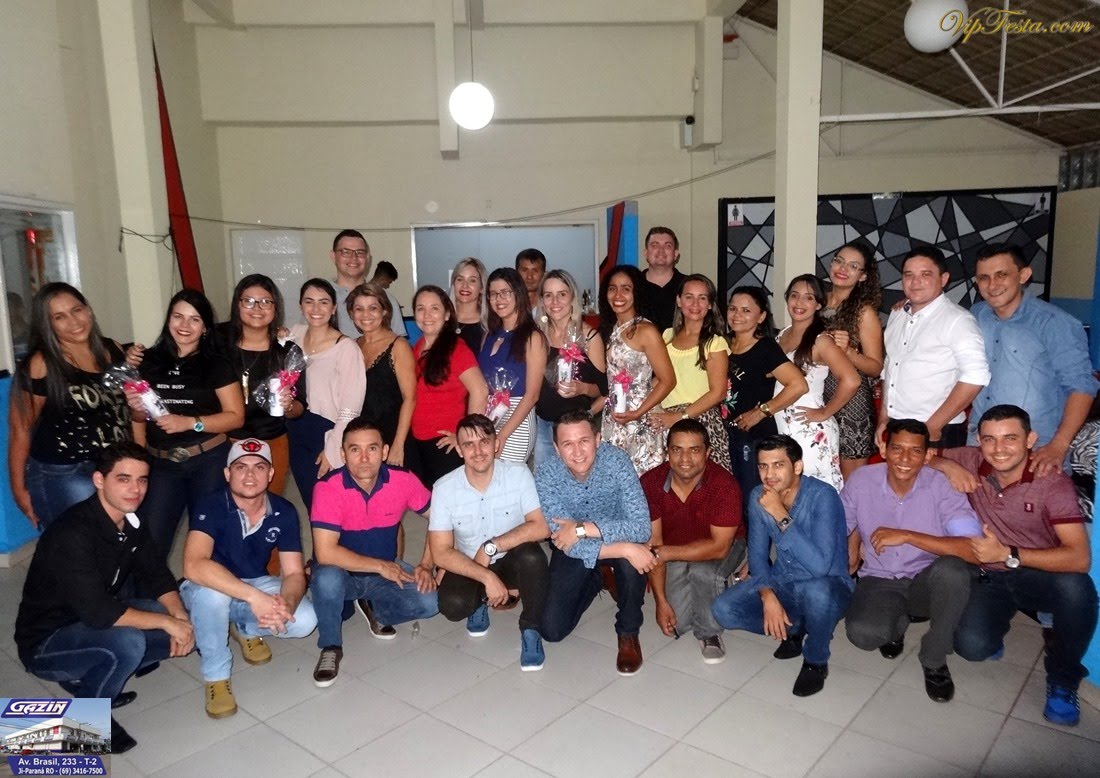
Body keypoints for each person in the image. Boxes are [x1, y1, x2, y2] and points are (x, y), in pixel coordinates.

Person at [15, 442, 194, 753]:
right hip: (47, 641)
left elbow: (156, 574)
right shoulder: (73, 533)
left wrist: (179, 617)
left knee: (169, 623)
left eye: (142, 480)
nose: (135, 490)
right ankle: (83, 724)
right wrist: (168, 623)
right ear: (99, 480)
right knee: (128, 643)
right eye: (123, 479)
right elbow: (99, 613)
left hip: (87, 619)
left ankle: (89, 676)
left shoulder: (131, 520)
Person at [933, 405, 1097, 726]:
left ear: (1030, 439)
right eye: (989, 439)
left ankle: (1063, 680)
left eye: (1010, 438)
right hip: (989, 577)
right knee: (971, 648)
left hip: (1036, 573)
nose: (998, 449)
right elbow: (914, 454)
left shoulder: (1052, 482)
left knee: (1078, 589)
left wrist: (1008, 553)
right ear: (979, 441)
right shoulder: (969, 459)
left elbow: (1079, 558)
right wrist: (945, 464)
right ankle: (993, 629)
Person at [843, 419, 980, 702]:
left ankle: (934, 658)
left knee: (953, 570)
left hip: (925, 580)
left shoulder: (943, 485)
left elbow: (973, 549)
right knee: (863, 635)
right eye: (897, 449)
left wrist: (907, 536)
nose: (905, 459)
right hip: (879, 578)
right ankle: (896, 622)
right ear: (884, 449)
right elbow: (835, 527)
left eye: (915, 451)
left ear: (928, 455)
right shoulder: (862, 480)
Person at [180, 439, 318, 718]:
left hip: (255, 581)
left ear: (270, 474)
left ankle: (244, 627)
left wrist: (286, 605)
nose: (250, 475)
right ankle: (216, 676)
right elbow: (193, 566)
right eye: (240, 467)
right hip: (207, 586)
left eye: (259, 467)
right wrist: (256, 599)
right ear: (227, 473)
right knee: (214, 597)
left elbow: (293, 573)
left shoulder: (283, 510)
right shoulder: (211, 504)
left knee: (305, 620)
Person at [712, 435, 854, 696]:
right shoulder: (759, 495)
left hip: (829, 586)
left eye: (778, 465)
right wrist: (767, 595)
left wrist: (780, 513)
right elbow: (757, 555)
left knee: (817, 592)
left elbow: (820, 567)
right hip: (784, 581)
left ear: (797, 467)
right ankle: (796, 627)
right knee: (724, 609)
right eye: (763, 466)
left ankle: (816, 660)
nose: (769, 475)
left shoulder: (823, 496)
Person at [308, 418, 438, 687]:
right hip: (343, 574)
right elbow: (326, 553)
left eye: (372, 448)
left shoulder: (403, 480)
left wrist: (426, 563)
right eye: (355, 449)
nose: (364, 458)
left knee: (431, 603)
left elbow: (440, 519)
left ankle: (375, 608)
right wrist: (380, 566)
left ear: (385, 451)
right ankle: (330, 646)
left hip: (384, 573)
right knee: (326, 579)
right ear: (343, 454)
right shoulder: (327, 488)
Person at [536, 410, 656, 675]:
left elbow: (640, 528)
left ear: (598, 439)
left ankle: (628, 632)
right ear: (556, 448)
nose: (578, 451)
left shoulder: (618, 462)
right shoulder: (546, 474)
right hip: (577, 548)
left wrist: (581, 529)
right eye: (567, 444)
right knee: (551, 630)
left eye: (584, 441)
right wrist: (625, 548)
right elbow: (563, 539)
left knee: (631, 564)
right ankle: (598, 577)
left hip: (612, 535)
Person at [429, 414, 551, 670]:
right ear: (459, 450)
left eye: (484, 441)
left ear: (496, 444)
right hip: (471, 563)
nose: (478, 451)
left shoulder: (518, 474)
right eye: (469, 444)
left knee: (533, 557)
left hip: (512, 558)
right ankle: (481, 600)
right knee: (452, 606)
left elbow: (541, 527)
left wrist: (491, 547)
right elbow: (440, 552)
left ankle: (531, 630)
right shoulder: (443, 488)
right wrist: (486, 577)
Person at [129, 290, 244, 559]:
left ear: (205, 327)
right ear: (168, 320)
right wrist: (139, 452)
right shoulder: (147, 361)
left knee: (209, 542)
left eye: (194, 319)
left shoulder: (217, 364)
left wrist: (191, 423)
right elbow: (138, 418)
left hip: (207, 460)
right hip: (161, 462)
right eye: (178, 316)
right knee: (151, 542)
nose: (184, 325)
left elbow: (236, 416)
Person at [9, 283, 131, 528]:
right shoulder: (42, 363)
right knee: (78, 545)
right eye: (59, 317)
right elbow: (20, 429)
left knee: (117, 541)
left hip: (114, 465)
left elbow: (128, 410)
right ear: (47, 324)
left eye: (77, 310)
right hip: (67, 472)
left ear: (88, 310)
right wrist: (19, 489)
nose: (74, 322)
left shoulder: (113, 349)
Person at [968, 244, 1099, 474]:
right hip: (980, 445)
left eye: (1001, 275)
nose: (992, 285)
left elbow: (1082, 387)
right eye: (984, 278)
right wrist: (908, 306)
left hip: (1038, 451)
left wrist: (1059, 445)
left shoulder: (1054, 322)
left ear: (1024, 275)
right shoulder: (975, 315)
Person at [642, 420, 741, 664]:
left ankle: (710, 634)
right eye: (677, 449)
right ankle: (700, 589)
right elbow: (655, 545)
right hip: (674, 548)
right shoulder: (651, 483)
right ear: (667, 452)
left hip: (724, 545)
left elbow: (719, 548)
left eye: (694, 450)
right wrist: (660, 602)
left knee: (704, 572)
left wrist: (667, 553)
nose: (685, 459)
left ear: (708, 453)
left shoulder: (724, 485)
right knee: (678, 625)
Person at [878, 246, 990, 449]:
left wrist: (934, 426)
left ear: (944, 279)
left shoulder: (958, 320)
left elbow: (976, 376)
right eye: (909, 275)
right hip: (897, 425)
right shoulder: (897, 314)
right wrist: (884, 419)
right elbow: (890, 366)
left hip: (939, 429)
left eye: (925, 274)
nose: (915, 282)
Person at [219, 274, 306, 495]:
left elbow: (300, 406)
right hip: (224, 442)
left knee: (269, 506)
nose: (257, 308)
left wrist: (289, 405)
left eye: (266, 301)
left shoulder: (288, 352)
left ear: (275, 307)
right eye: (249, 301)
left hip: (272, 442)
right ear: (237, 304)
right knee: (226, 507)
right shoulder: (219, 345)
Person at [722, 286, 808, 509]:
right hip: (725, 435)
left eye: (746, 310)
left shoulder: (765, 347)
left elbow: (798, 385)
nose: (737, 315)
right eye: (732, 308)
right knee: (729, 499)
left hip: (753, 437)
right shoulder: (722, 344)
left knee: (753, 499)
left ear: (761, 317)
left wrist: (761, 412)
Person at [286, 278, 366, 511]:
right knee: (311, 503)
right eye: (309, 301)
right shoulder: (293, 335)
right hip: (296, 428)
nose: (316, 308)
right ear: (301, 306)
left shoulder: (346, 348)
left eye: (323, 302)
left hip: (327, 431)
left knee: (331, 507)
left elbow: (351, 407)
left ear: (333, 308)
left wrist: (333, 448)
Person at [774, 274, 859, 490]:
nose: (799, 303)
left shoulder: (821, 340)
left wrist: (824, 412)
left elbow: (851, 380)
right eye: (794, 296)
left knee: (818, 492)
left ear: (818, 304)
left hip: (810, 427)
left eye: (808, 298)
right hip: (783, 425)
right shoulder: (782, 335)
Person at [599, 265, 676, 475]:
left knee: (643, 479)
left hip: (640, 415)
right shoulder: (611, 328)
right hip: (615, 414)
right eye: (612, 288)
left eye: (626, 289)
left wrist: (637, 413)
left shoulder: (646, 330)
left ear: (636, 293)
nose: (618, 295)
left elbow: (668, 380)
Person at [651, 275, 733, 472]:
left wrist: (681, 416)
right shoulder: (667, 336)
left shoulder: (715, 343)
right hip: (667, 419)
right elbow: (659, 380)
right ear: (679, 300)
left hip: (700, 420)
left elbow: (718, 392)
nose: (695, 304)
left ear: (710, 304)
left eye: (702, 298)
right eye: (689, 297)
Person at [410, 285, 489, 487]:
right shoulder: (417, 348)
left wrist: (465, 436)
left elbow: (480, 391)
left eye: (434, 308)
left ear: (446, 314)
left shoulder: (456, 348)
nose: (427, 315)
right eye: (420, 308)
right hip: (419, 441)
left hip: (445, 444)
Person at [821, 241, 884, 479]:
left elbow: (876, 367)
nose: (843, 268)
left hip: (852, 407)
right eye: (839, 260)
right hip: (816, 397)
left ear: (863, 276)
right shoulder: (816, 301)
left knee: (852, 486)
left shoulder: (864, 312)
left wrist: (848, 351)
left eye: (853, 266)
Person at [533, 269, 607, 467]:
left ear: (572, 297)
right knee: (545, 482)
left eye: (562, 294)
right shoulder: (538, 335)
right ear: (542, 301)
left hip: (576, 431)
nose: (555, 301)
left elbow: (605, 390)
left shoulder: (589, 337)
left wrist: (583, 390)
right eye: (548, 295)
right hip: (544, 427)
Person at [479, 268, 546, 463]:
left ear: (518, 294)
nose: (499, 299)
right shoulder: (488, 335)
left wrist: (502, 435)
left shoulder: (533, 337)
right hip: (489, 415)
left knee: (509, 477)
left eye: (505, 292)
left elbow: (532, 395)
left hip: (517, 419)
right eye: (493, 294)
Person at [351, 283, 418, 471]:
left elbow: (410, 397)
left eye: (373, 308)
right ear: (352, 313)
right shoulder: (352, 345)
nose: (366, 314)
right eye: (359, 309)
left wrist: (398, 444)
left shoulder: (398, 345)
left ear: (384, 311)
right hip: (364, 440)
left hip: (394, 436)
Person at [329, 229, 374, 339]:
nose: (353, 258)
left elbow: (397, 344)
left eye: (360, 252)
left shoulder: (385, 299)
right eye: (346, 252)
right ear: (333, 256)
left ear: (367, 257)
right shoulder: (320, 298)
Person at [640, 227, 687, 332]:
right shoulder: (632, 286)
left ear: (675, 254)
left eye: (667, 246)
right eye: (655, 245)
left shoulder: (689, 286)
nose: (661, 251)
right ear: (646, 253)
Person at [450, 257, 488, 355]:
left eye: (472, 280)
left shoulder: (490, 325)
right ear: (453, 284)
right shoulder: (441, 320)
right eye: (460, 279)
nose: (465, 285)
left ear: (482, 287)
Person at [368, 259, 408, 337]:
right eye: (389, 282)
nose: (388, 286)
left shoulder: (357, 294)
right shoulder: (389, 299)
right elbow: (398, 331)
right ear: (382, 278)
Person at [515, 247, 546, 311]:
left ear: (543, 274)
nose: (529, 276)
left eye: (535, 271)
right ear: (516, 272)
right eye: (524, 270)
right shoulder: (507, 305)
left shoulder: (551, 306)